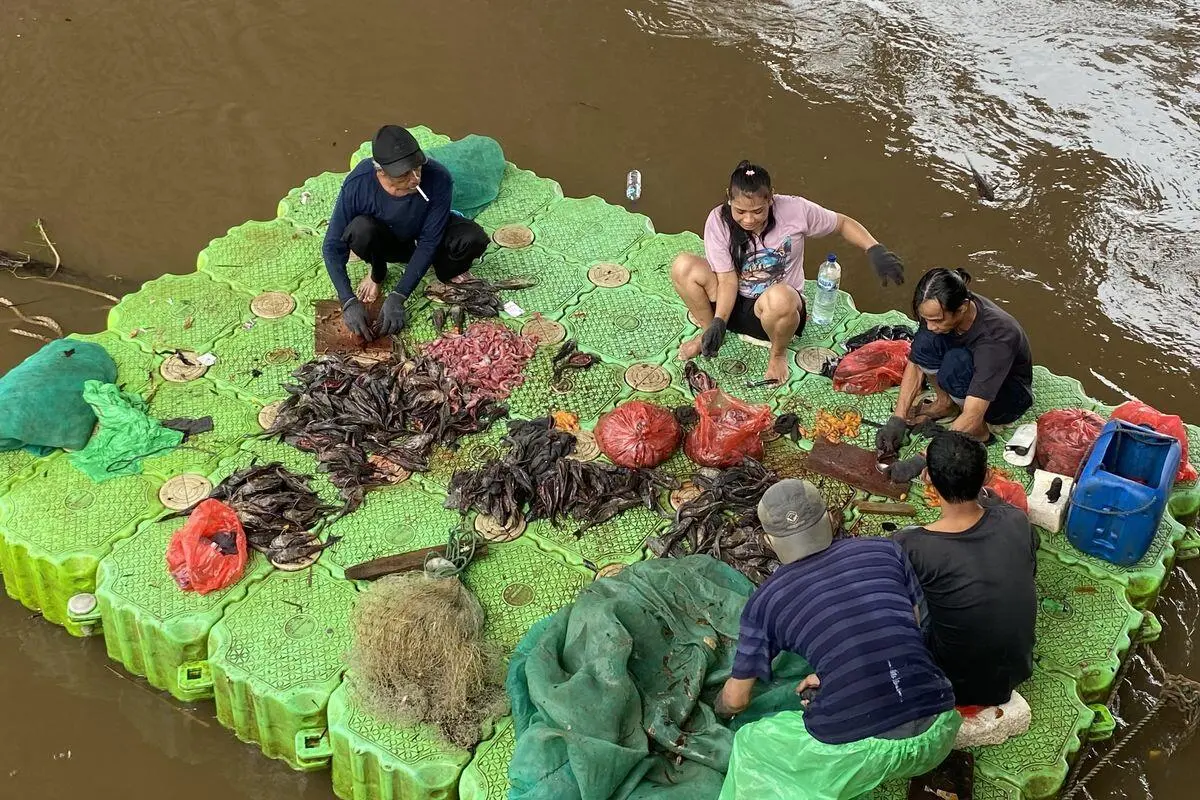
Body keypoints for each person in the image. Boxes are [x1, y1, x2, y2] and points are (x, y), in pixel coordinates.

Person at [715, 479, 959, 800]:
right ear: (830, 519)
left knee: (750, 744)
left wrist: (719, 710)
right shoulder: (886, 550)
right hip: (940, 729)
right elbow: (911, 626)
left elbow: (737, 700)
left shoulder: (766, 601)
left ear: (769, 541)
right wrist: (835, 674)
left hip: (862, 755)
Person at [671, 161, 906, 384]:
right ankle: (709, 333)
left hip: (772, 313)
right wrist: (719, 321)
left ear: (771, 198)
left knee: (780, 298)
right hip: (731, 301)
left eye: (758, 211)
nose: (749, 220)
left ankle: (778, 354)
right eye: (740, 211)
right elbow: (727, 280)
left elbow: (842, 223)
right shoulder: (718, 220)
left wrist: (874, 248)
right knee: (683, 266)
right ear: (729, 198)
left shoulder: (795, 210)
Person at [893, 431, 1038, 716]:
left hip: (955, 684)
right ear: (986, 476)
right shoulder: (1016, 519)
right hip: (1018, 667)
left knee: (902, 586)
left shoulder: (910, 545)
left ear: (928, 480)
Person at [322, 125, 490, 341]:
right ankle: (377, 273)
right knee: (360, 229)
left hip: (425, 234)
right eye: (403, 174)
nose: (415, 179)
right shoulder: (359, 183)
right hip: (387, 242)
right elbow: (332, 246)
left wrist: (399, 295)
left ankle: (444, 271)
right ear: (381, 171)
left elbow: (429, 241)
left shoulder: (439, 177)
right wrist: (347, 300)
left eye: (417, 168)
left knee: (473, 238)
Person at [877, 267, 1034, 481]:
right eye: (926, 318)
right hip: (968, 368)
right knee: (926, 341)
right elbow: (915, 363)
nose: (930, 326)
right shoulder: (940, 310)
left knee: (955, 364)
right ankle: (945, 403)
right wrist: (898, 418)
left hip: (1006, 397)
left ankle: (980, 433)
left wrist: (926, 458)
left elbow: (973, 413)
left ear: (962, 309)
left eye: (937, 320)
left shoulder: (997, 336)